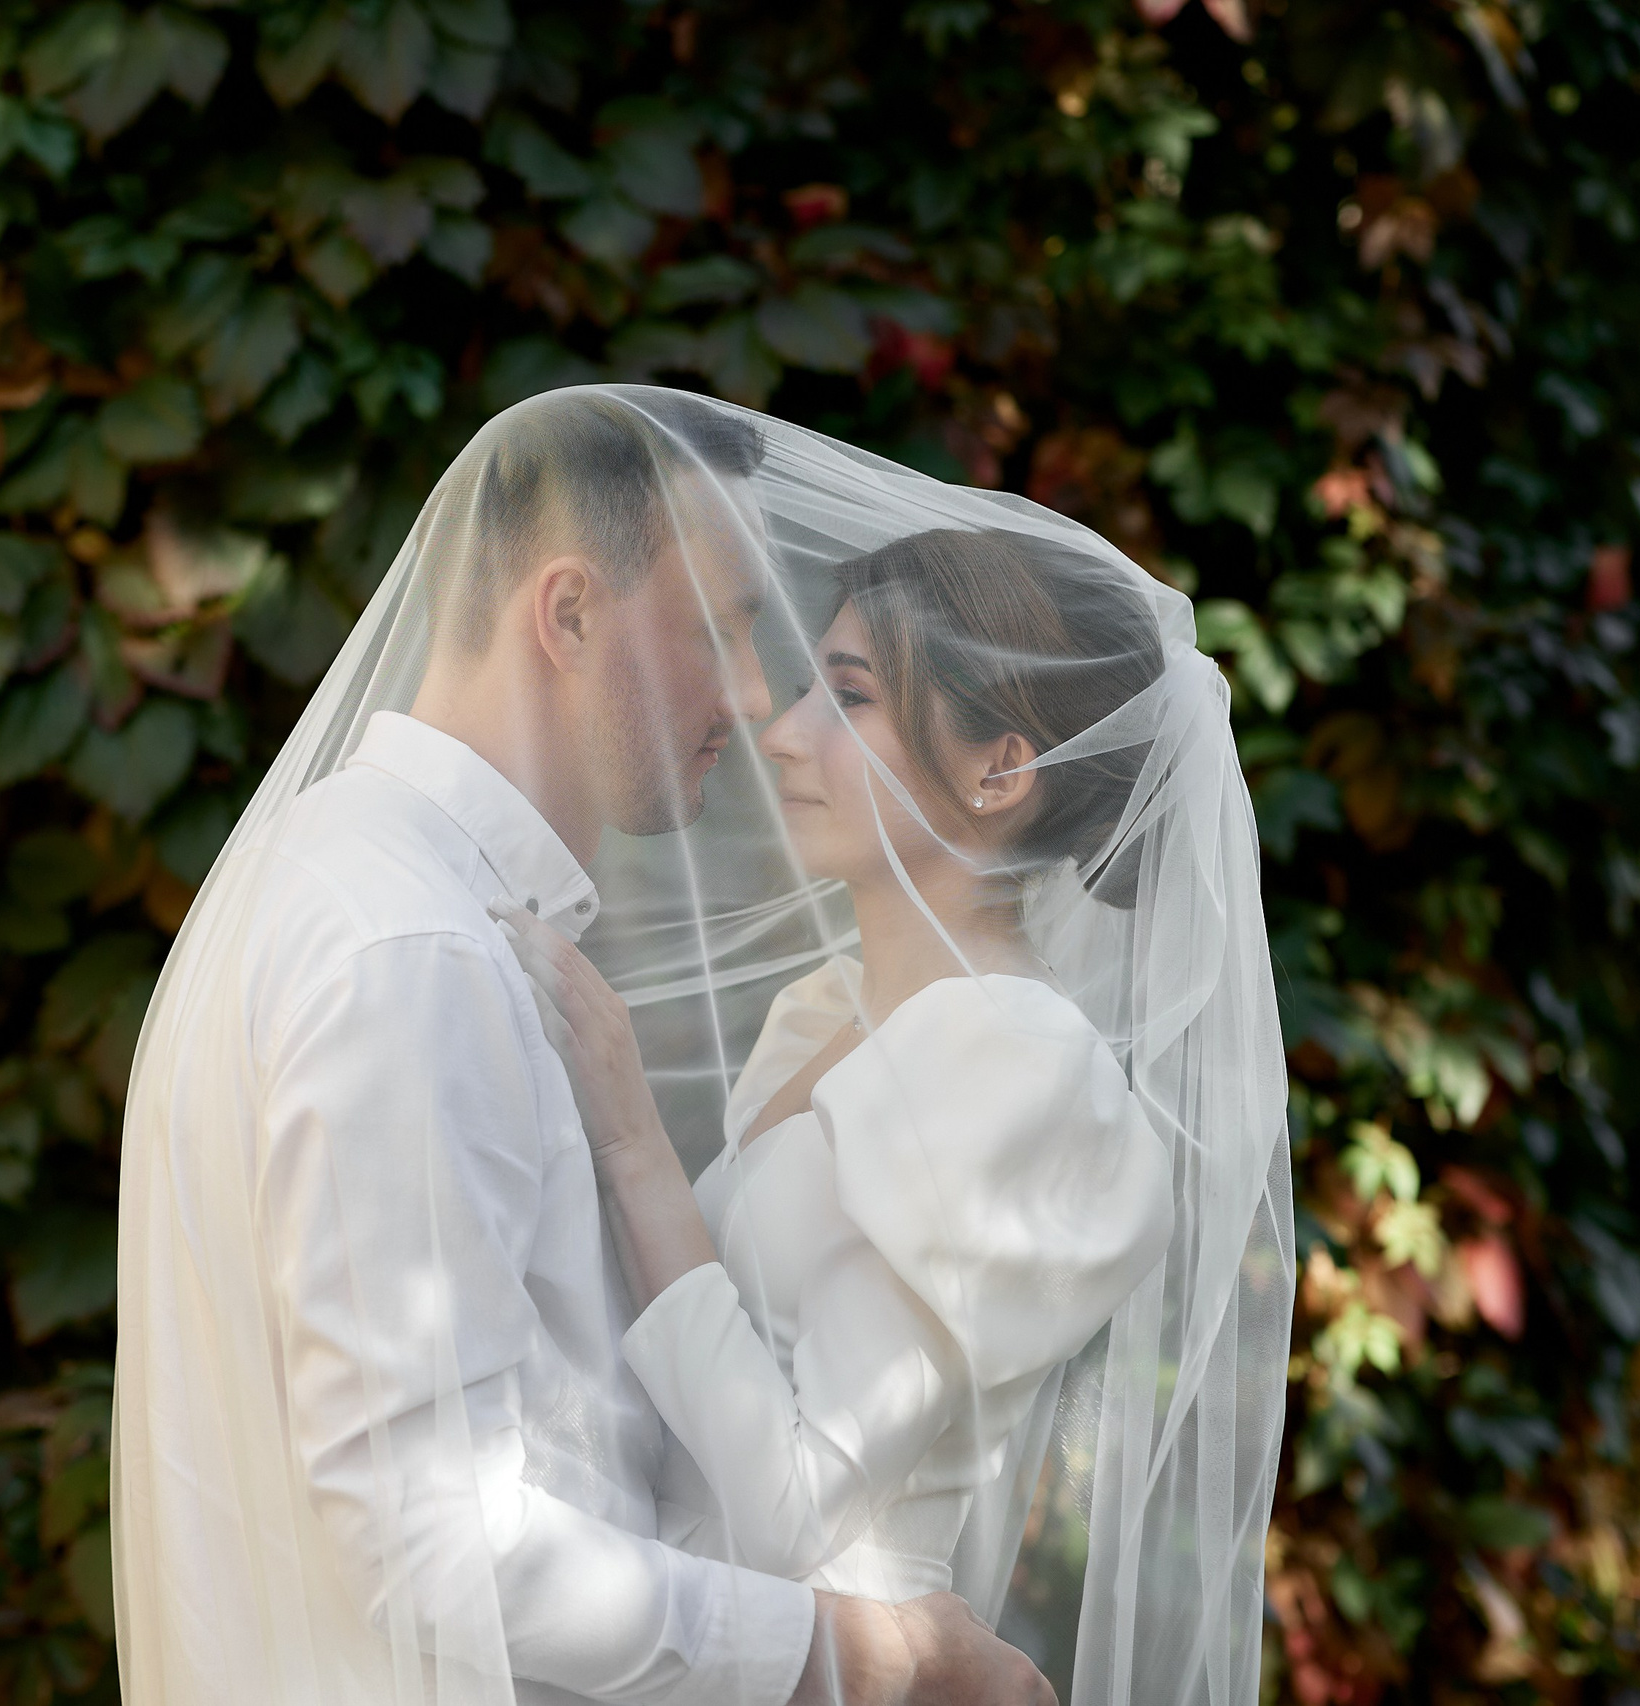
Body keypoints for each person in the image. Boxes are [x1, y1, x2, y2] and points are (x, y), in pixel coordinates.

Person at [111, 391, 1058, 1706]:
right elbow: (431, 1533)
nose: (754, 693)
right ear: (565, 614)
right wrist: (856, 1653)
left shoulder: (347, 888)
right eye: (720, 625)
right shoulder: (409, 954)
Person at [497, 525, 1294, 1705]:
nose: (783, 731)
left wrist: (632, 1141)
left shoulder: (1012, 1062)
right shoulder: (828, 1010)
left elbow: (790, 1507)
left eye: (851, 695)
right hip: (689, 1644)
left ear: (999, 770)